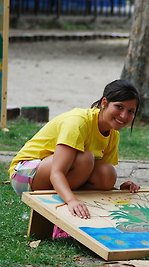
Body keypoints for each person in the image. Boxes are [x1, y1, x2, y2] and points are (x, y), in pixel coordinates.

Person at [9, 79, 141, 222]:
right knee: (84, 159)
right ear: (104, 103)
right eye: (119, 107)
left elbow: (99, 176)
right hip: (24, 174)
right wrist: (71, 200)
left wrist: (118, 191)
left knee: (107, 174)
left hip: (52, 175)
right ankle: (61, 207)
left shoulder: (113, 134)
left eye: (130, 111)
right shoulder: (78, 121)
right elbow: (57, 173)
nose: (124, 116)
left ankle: (71, 204)